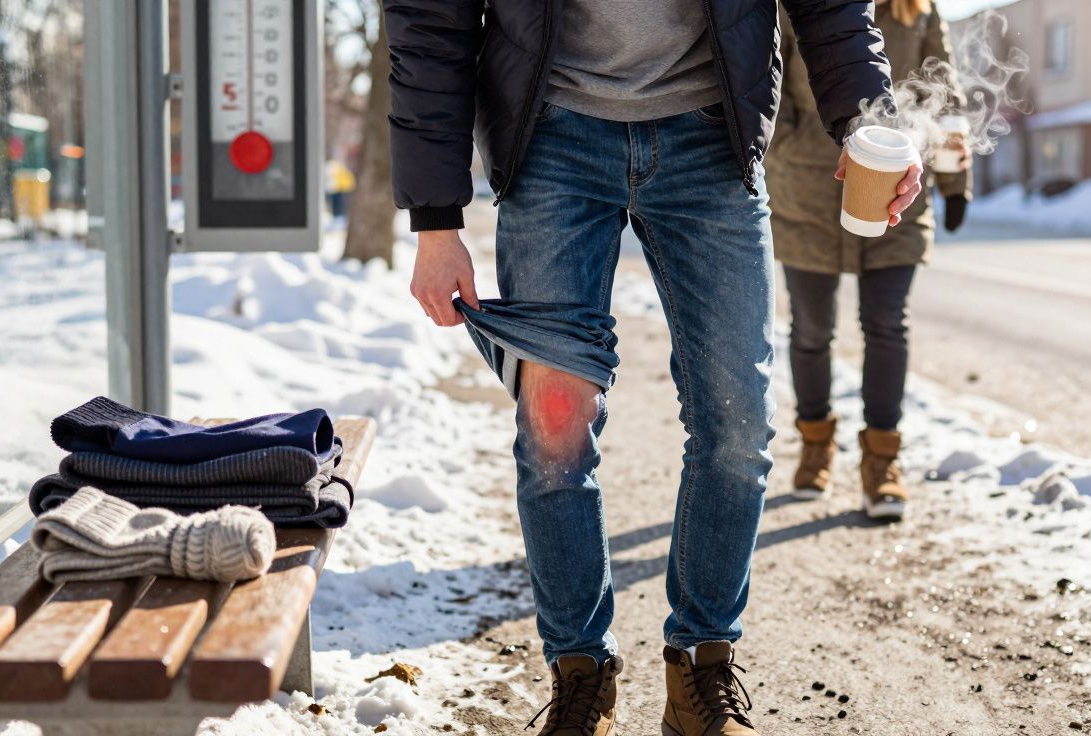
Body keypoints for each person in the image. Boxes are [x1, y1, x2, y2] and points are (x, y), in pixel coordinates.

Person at [382, 1, 922, 733]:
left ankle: (700, 668)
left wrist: (869, 120)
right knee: (554, 435)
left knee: (738, 429)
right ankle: (580, 676)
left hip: (711, 137)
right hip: (551, 141)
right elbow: (430, 21)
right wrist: (435, 218)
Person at [768, 0, 971, 522]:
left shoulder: (918, 11)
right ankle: (816, 444)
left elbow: (943, 95)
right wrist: (784, 147)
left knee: (886, 325)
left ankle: (882, 463)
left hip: (896, 190)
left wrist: (954, 179)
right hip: (808, 189)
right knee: (812, 330)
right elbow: (771, 78)